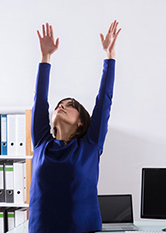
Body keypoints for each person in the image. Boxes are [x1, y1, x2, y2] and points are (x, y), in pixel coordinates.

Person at [29, 20, 121, 233]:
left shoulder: (90, 145)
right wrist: (45, 58)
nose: (61, 106)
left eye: (69, 106)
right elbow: (40, 100)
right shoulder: (42, 143)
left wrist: (110, 55)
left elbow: (104, 101)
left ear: (81, 121)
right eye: (60, 105)